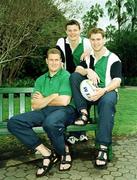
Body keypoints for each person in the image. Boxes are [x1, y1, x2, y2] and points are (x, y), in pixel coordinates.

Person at [7, 48, 78, 176]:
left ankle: (64, 151)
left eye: (57, 60)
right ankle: (46, 153)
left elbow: (64, 101)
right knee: (14, 122)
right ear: (46, 61)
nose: (54, 62)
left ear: (61, 61)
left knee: (50, 123)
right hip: (44, 111)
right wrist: (52, 96)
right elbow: (35, 104)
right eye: (51, 60)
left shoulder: (66, 76)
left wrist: (43, 100)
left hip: (65, 111)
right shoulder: (40, 80)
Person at [70, 28, 122, 168]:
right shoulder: (88, 56)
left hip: (107, 92)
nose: (96, 42)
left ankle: (103, 149)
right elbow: (77, 71)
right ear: (90, 41)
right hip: (89, 93)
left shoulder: (113, 58)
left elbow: (117, 81)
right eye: (93, 39)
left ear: (104, 40)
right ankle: (84, 113)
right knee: (74, 77)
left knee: (107, 104)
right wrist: (88, 70)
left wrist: (104, 90)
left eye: (98, 39)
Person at [56, 19, 92, 144]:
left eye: (75, 30)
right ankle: (78, 132)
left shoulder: (86, 42)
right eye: (69, 31)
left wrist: (90, 49)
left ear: (80, 30)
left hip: (82, 76)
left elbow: (99, 47)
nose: (72, 33)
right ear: (66, 31)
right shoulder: (61, 41)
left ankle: (77, 133)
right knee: (71, 103)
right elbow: (59, 58)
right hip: (67, 76)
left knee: (82, 96)